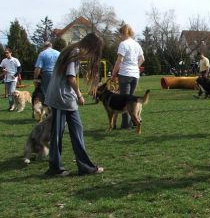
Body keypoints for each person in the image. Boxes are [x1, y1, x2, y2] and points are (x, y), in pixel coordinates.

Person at [45, 33, 104, 176]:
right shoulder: (74, 52)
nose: (91, 56)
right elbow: (70, 78)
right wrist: (79, 94)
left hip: (66, 98)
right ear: (89, 46)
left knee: (77, 130)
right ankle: (55, 168)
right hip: (61, 97)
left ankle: (85, 167)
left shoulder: (72, 51)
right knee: (57, 134)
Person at [111, 24, 145, 129]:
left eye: (120, 34)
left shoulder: (123, 44)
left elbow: (119, 60)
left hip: (125, 74)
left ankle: (126, 124)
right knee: (131, 99)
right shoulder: (137, 44)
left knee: (124, 101)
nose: (120, 36)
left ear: (123, 33)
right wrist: (136, 67)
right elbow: (142, 59)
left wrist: (113, 73)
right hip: (135, 75)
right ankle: (134, 121)